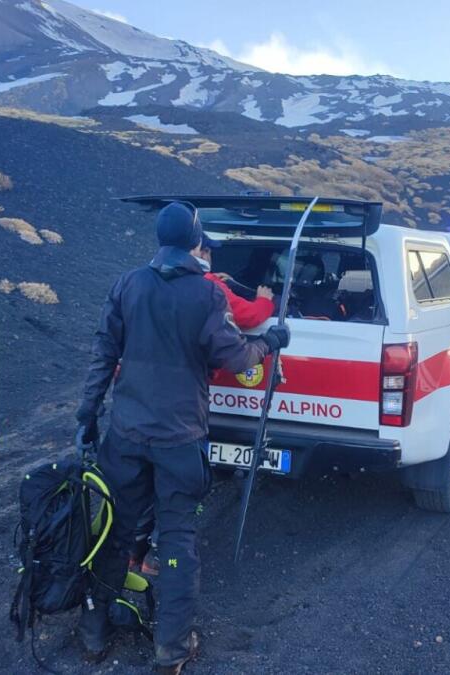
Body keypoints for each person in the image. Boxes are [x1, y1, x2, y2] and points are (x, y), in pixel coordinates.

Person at [75, 202, 288, 674]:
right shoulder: (206, 294)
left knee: (115, 530)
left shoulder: (128, 284)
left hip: (125, 434)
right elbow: (237, 358)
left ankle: (94, 633)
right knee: (176, 539)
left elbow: (102, 353)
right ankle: (170, 649)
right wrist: (270, 342)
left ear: (159, 240)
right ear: (196, 243)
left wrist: (87, 414)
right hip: (180, 437)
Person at [127, 231, 274, 576]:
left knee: (143, 481)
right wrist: (266, 305)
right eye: (207, 250)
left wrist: (89, 413)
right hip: (184, 412)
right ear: (197, 251)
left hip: (137, 407)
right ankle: (162, 558)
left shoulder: (140, 283)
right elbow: (247, 324)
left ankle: (132, 554)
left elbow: (108, 347)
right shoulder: (211, 290)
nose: (210, 257)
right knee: (181, 487)